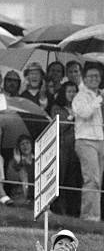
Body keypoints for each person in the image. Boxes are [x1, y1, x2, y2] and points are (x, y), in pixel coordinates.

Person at [72, 64, 104, 221]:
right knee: (91, 179)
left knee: (98, 180)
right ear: (84, 79)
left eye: (97, 76)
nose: (94, 79)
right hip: (85, 140)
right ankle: (88, 217)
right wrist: (98, 100)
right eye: (90, 76)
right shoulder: (80, 96)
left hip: (100, 139)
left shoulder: (100, 94)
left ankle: (95, 216)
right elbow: (84, 113)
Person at [50, 81, 81, 216]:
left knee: (74, 181)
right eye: (69, 91)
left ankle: (73, 212)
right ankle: (59, 210)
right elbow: (59, 127)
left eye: (74, 91)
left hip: (77, 149)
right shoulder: (57, 108)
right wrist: (71, 116)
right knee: (61, 180)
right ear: (64, 93)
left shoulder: (81, 108)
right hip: (62, 149)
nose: (72, 94)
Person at [6, 134, 34, 203]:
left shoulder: (39, 159)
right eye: (22, 144)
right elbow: (11, 179)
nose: (25, 146)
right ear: (19, 148)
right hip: (20, 197)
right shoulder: (14, 162)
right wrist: (18, 164)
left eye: (27, 143)